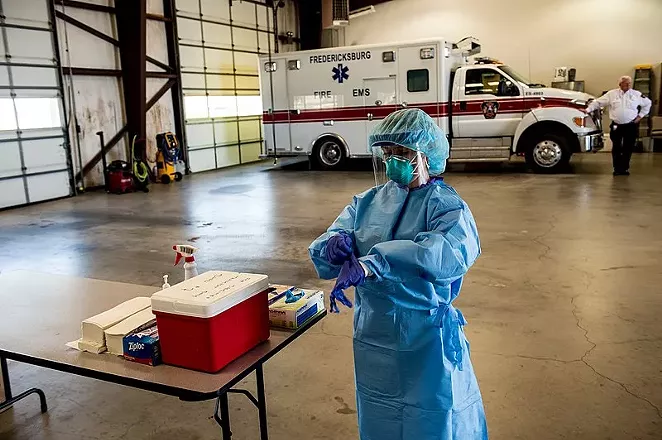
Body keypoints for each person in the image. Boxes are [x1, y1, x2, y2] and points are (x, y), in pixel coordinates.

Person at [309, 108, 488, 440]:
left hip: (425, 335)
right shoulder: (370, 201)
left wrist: (375, 262)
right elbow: (329, 242)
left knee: (433, 416)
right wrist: (334, 244)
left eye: (402, 153)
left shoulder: (446, 206)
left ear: (425, 154)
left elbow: (445, 255)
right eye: (388, 153)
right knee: (381, 414)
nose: (393, 161)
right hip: (375, 334)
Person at [585, 75, 652, 176]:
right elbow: (598, 102)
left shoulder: (636, 94)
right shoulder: (612, 94)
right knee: (616, 147)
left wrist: (640, 116)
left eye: (629, 83)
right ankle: (617, 168)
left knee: (628, 147)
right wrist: (587, 110)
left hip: (630, 125)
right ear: (620, 84)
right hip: (617, 126)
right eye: (625, 83)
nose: (628, 85)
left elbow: (648, 103)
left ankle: (624, 168)